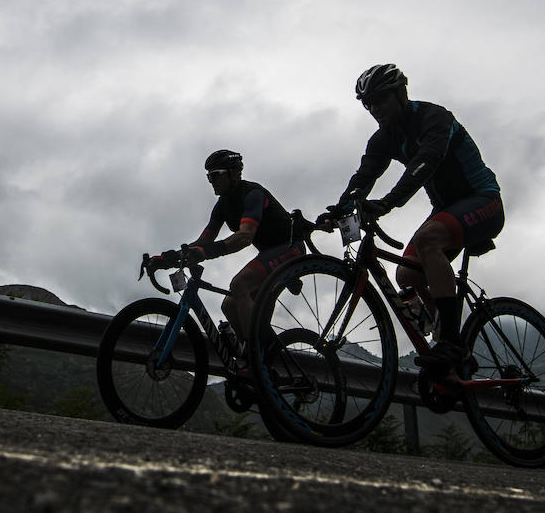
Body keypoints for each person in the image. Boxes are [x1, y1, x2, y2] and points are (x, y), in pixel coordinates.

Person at [325, 64, 504, 376]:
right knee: (407, 276)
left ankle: (448, 340)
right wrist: (340, 209)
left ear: (400, 93)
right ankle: (450, 342)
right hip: (447, 210)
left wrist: (388, 202)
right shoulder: (383, 139)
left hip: (482, 200)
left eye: (381, 99)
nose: (375, 108)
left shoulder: (435, 118)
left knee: (427, 240)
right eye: (369, 104)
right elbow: (363, 177)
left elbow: (425, 163)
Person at [150, 149, 304, 359]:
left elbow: (244, 237)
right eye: (208, 177)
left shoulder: (252, 194)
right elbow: (202, 243)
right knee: (229, 305)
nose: (211, 181)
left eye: (215, 175)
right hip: (270, 254)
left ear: (233, 173)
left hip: (291, 248)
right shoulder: (222, 205)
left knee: (239, 284)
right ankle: (254, 361)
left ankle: (255, 361)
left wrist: (203, 253)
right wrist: (168, 259)